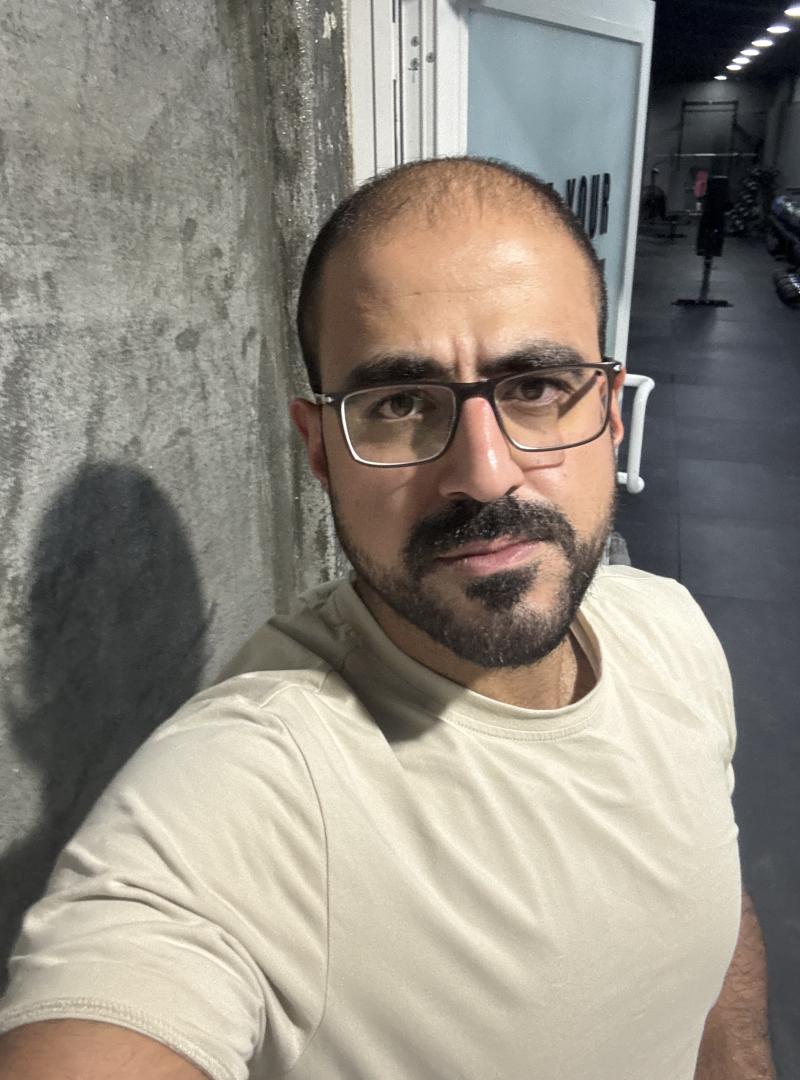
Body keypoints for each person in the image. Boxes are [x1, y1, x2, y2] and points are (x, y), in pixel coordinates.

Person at [0, 157, 774, 1080]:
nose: (484, 473)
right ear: (320, 448)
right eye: (400, 404)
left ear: (608, 412)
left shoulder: (672, 633)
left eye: (535, 386)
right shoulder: (251, 794)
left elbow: (710, 912)